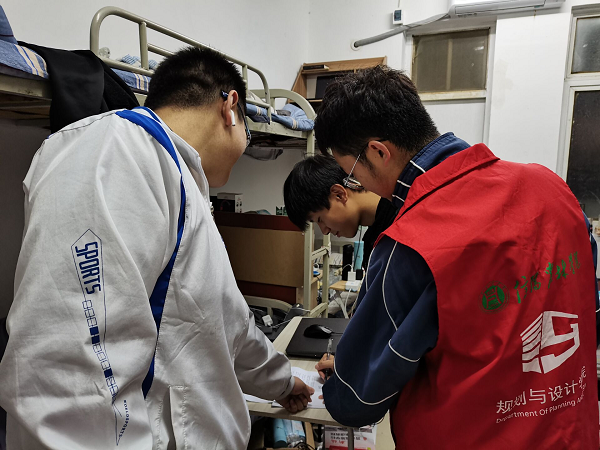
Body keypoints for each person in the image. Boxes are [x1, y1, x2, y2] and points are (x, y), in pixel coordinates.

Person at [0, 47, 313, 449]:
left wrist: (283, 382)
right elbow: (71, 369)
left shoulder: (177, 177)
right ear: (229, 107)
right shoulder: (114, 151)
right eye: (247, 135)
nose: (244, 146)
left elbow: (229, 325)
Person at [312, 65, 600, 449]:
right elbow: (589, 311)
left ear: (378, 152)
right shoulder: (554, 189)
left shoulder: (409, 244)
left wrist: (340, 380)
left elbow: (357, 401)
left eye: (351, 174)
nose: (357, 186)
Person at [283, 154, 398, 270]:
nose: (325, 231)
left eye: (320, 219)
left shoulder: (398, 225)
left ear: (339, 194)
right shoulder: (374, 237)